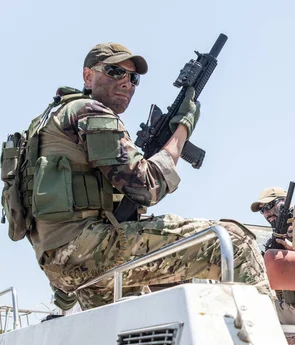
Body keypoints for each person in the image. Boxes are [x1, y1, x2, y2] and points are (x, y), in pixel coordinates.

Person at [1, 42, 274, 310]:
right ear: (88, 75)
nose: (126, 82)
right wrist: (182, 128)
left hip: (62, 264)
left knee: (141, 320)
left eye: (133, 78)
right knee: (234, 242)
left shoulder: (45, 124)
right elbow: (147, 187)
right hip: (91, 252)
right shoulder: (89, 111)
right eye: (115, 72)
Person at [251, 187, 295, 325]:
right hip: (291, 305)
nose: (267, 213)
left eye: (269, 205)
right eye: (263, 210)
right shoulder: (275, 236)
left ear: (285, 202)